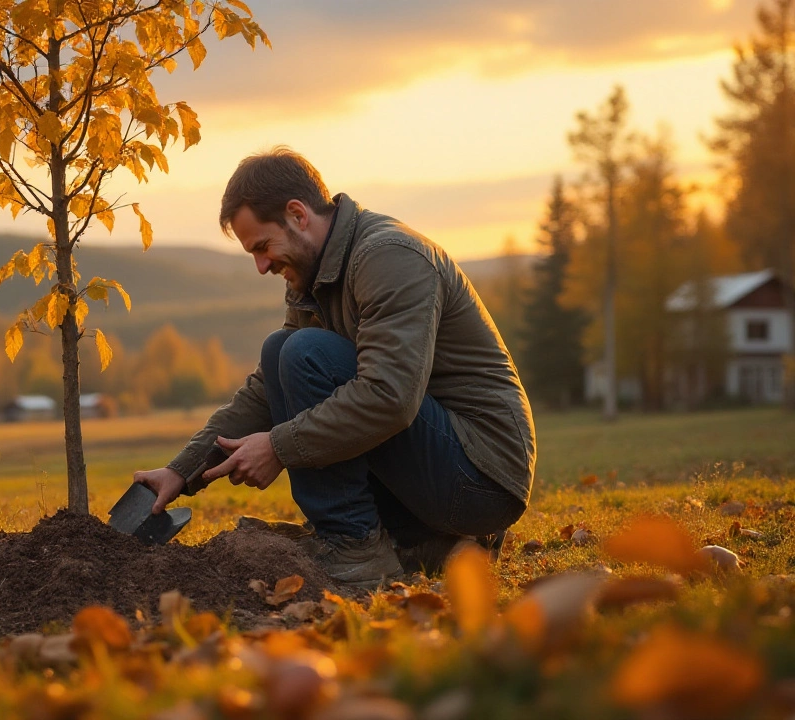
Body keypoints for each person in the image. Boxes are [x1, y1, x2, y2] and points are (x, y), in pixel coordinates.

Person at [132, 148, 535, 588]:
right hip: (437, 474)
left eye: (263, 247)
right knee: (281, 350)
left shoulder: (390, 257)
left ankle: (354, 548)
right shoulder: (314, 276)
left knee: (304, 352)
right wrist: (180, 471)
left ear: (298, 215)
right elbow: (267, 391)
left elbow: (390, 398)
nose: (261, 266)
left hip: (480, 477)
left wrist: (278, 447)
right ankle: (428, 544)